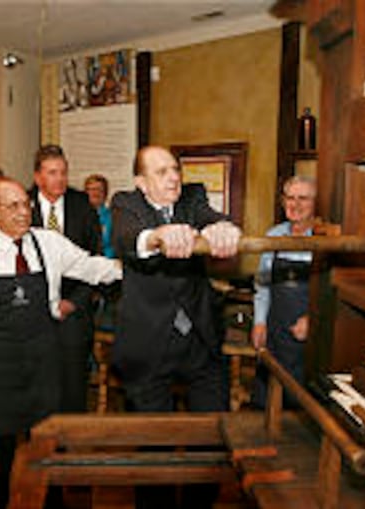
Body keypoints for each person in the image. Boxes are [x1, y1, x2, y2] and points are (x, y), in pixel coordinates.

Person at [0, 177, 121, 509]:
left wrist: (134, 264)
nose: (24, 212)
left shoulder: (49, 243)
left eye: (26, 204)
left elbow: (90, 267)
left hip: (42, 364)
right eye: (13, 206)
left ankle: (54, 503)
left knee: (48, 445)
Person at [111, 146, 240, 508]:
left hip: (199, 339)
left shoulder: (192, 197)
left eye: (175, 169)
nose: (173, 178)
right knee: (155, 445)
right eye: (161, 172)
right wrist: (158, 236)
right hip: (149, 344)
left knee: (212, 436)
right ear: (141, 182)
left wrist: (221, 228)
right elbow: (128, 238)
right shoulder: (126, 203)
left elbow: (210, 217)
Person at [30, 145, 101, 413]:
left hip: (74, 313)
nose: (59, 179)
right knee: (37, 386)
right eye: (52, 173)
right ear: (38, 177)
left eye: (63, 172)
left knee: (73, 388)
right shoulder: (22, 204)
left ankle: (72, 437)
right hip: (33, 313)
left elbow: (94, 258)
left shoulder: (82, 204)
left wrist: (74, 302)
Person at [251, 176, 316, 409]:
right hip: (275, 330)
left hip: (306, 337)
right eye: (290, 198)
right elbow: (263, 284)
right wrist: (260, 322)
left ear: (315, 203)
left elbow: (332, 292)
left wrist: (313, 318)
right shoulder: (274, 235)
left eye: (303, 198)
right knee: (266, 401)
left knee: (300, 405)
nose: (295, 204)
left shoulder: (325, 240)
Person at [84, 174, 115, 258]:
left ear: (105, 193)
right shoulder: (77, 217)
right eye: (91, 189)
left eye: (99, 189)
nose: (95, 193)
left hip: (108, 260)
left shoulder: (114, 216)